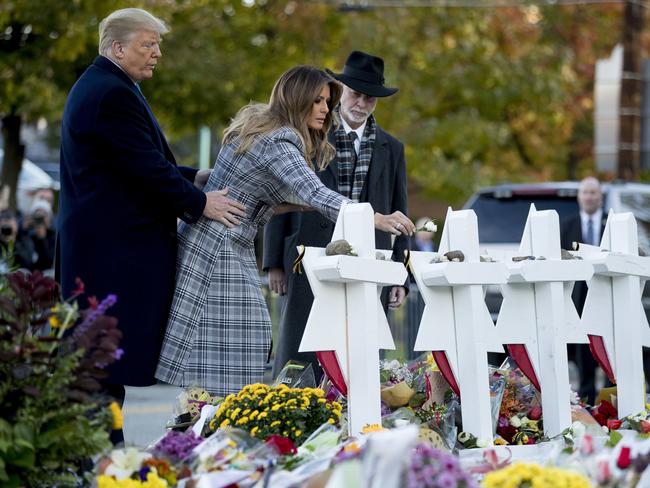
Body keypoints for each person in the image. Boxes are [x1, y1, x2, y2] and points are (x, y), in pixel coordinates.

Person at [155, 65, 415, 396]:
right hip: (218, 249)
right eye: (319, 101)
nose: (326, 109)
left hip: (223, 243)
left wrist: (297, 204)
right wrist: (374, 218)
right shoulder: (280, 140)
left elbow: (266, 196)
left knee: (224, 355)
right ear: (297, 99)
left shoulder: (262, 128)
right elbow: (314, 192)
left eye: (327, 101)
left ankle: (208, 431)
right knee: (241, 348)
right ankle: (214, 434)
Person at [58, 8, 246, 443]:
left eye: (157, 44)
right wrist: (200, 202)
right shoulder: (111, 94)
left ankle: (103, 449)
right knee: (101, 362)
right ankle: (96, 455)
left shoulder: (108, 86)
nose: (157, 53)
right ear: (117, 48)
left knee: (102, 363)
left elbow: (129, 162)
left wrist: (189, 177)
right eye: (148, 44)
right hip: (112, 256)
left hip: (103, 251)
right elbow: (142, 168)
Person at [263, 51, 410, 379]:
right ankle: (297, 403)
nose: (361, 103)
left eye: (370, 98)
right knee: (301, 338)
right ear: (341, 91)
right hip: (308, 249)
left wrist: (402, 273)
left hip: (371, 255)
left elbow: (401, 209)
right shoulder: (309, 133)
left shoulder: (392, 147)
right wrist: (274, 261)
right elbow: (279, 194)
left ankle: (360, 411)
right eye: (356, 94)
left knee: (363, 342)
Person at [561, 176, 605, 404]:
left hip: (605, 294)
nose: (589, 197)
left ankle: (609, 398)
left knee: (607, 344)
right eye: (585, 192)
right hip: (577, 297)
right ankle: (587, 398)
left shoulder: (610, 224)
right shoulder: (566, 226)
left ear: (601, 197)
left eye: (593, 192)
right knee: (582, 346)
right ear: (579, 197)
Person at [23, 199, 56, 272]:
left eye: (42, 217)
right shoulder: (28, 236)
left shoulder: (54, 237)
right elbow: (23, 260)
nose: (40, 221)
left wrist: (42, 239)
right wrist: (23, 231)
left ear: (49, 218)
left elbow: (48, 262)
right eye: (37, 217)